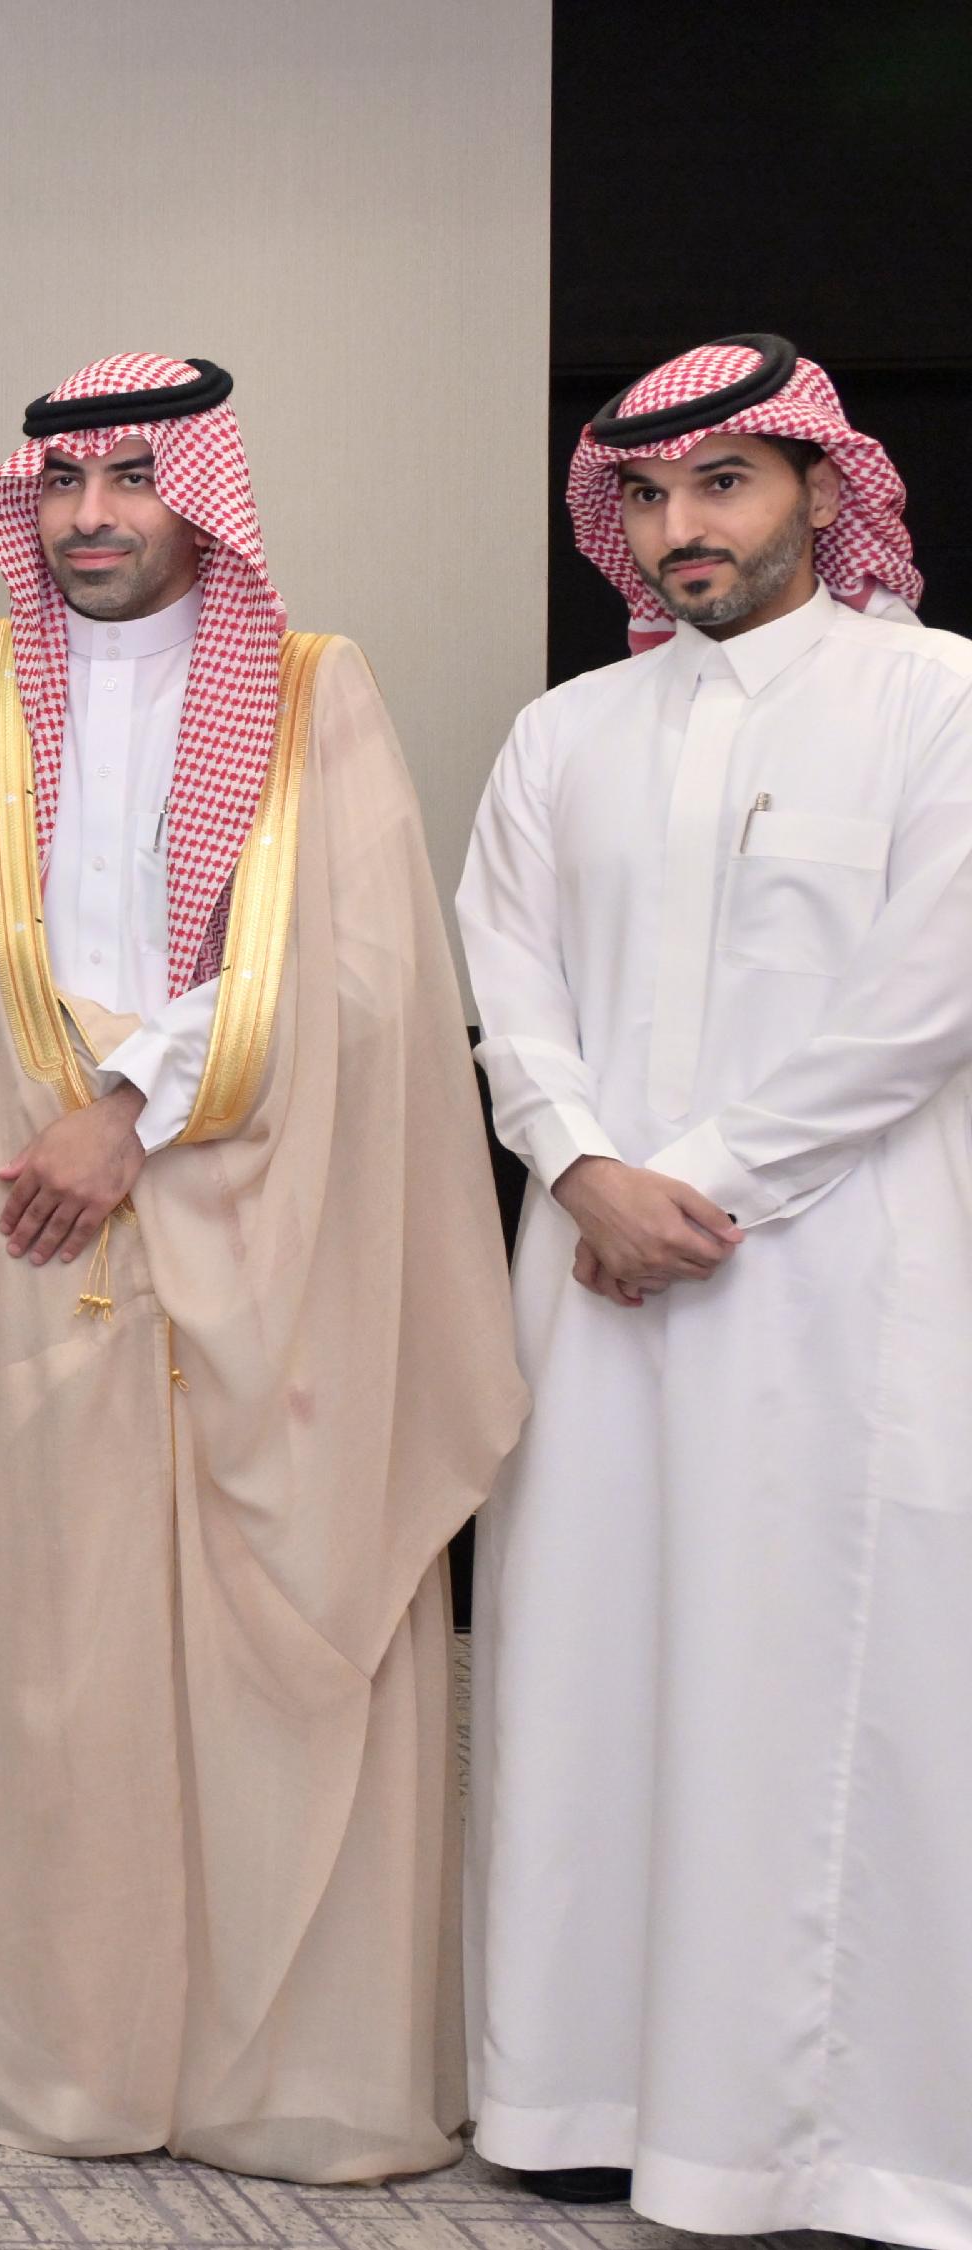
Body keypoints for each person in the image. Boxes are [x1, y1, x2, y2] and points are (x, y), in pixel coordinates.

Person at [0, 354, 522, 2182]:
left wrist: (138, 1097)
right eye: (62, 483)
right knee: (37, 1670)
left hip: (261, 1242)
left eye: (132, 475)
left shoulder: (312, 701)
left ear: (204, 489)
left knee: (262, 1661)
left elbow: (363, 980)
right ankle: (29, 2047)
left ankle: (264, 2069)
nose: (94, 513)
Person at [453, 334, 972, 2247]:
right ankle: (576, 2095)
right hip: (592, 1285)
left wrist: (708, 1186)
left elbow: (929, 996)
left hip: (834, 1290)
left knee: (822, 1691)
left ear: (823, 490)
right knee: (585, 1681)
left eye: (726, 487)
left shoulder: (941, 704)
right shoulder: (563, 734)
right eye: (653, 496)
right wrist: (584, 1163)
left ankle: (836, 2141)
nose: (684, 529)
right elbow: (508, 979)